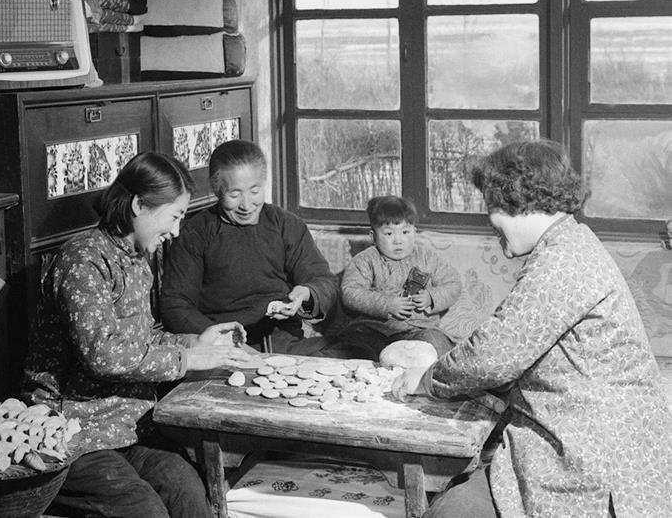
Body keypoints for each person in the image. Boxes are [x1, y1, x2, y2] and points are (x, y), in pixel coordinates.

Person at [392, 140, 672, 517]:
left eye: (491, 207)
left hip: (597, 457)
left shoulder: (564, 260)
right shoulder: (570, 241)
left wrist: (424, 379)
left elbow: (492, 355)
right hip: (592, 434)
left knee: (450, 512)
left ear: (517, 202)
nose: (490, 221)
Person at [22, 152, 253, 518]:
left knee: (193, 497)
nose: (176, 231)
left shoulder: (137, 260)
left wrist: (194, 342)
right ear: (138, 205)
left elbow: (142, 338)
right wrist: (187, 360)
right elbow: (104, 355)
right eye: (174, 216)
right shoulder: (83, 260)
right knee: (147, 512)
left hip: (130, 426)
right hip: (73, 433)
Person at [161, 139, 339, 355]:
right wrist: (221, 339)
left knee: (356, 353)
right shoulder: (196, 233)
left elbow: (325, 281)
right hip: (222, 346)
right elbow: (176, 304)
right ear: (217, 190)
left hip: (285, 342)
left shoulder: (285, 224)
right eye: (234, 195)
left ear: (264, 183)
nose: (246, 205)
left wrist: (306, 293)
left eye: (254, 191)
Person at [330, 196, 461, 360]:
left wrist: (431, 297)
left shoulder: (427, 257)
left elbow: (453, 284)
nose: (398, 240)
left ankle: (416, 368)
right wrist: (387, 304)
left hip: (418, 329)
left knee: (435, 342)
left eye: (405, 232)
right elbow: (350, 292)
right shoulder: (365, 259)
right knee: (350, 343)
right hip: (375, 329)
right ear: (373, 236)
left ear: (415, 232)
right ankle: (378, 366)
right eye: (389, 233)